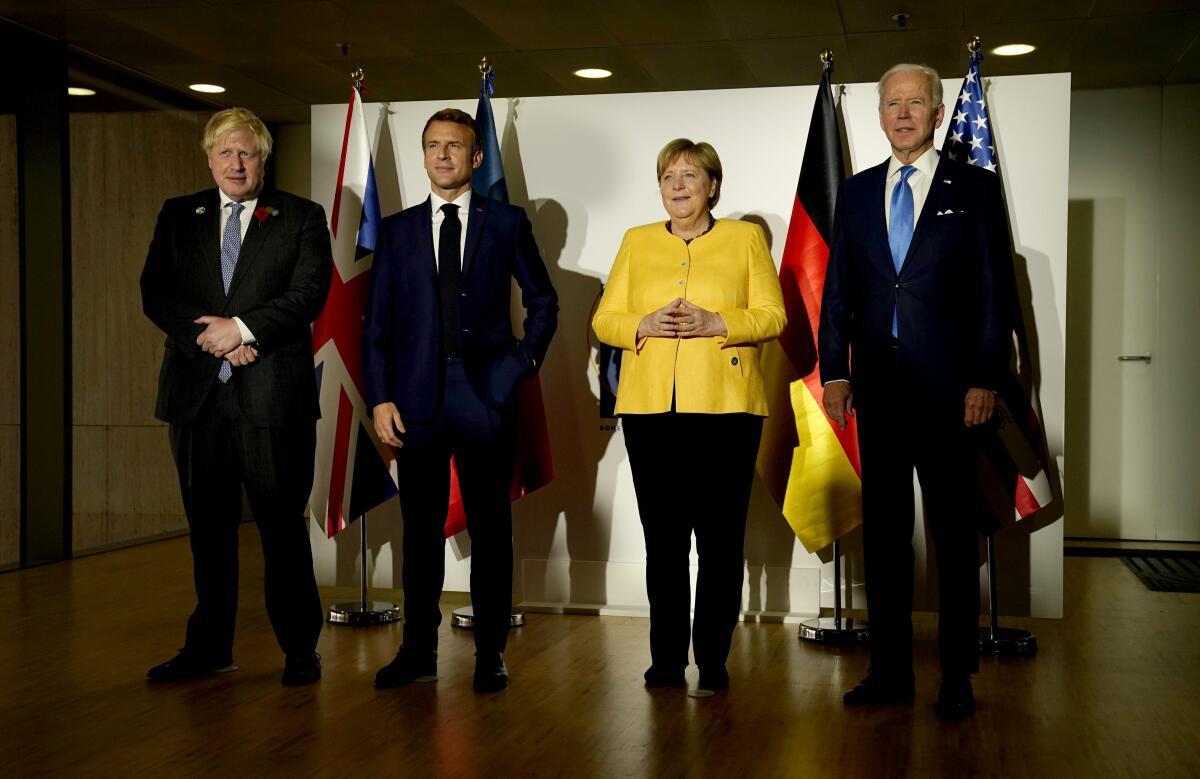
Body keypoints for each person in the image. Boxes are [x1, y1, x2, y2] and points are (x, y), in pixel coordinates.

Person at [818, 63, 1015, 719]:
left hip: (953, 390)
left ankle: (956, 673)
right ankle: (889, 669)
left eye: (916, 103)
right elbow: (837, 290)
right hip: (878, 388)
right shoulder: (855, 192)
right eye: (893, 104)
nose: (903, 113)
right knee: (886, 535)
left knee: (953, 538)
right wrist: (835, 370)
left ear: (937, 113)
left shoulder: (977, 189)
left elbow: (995, 294)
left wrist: (987, 375)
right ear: (879, 116)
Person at [363, 108, 557, 693]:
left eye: (455, 146)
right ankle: (418, 652)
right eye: (432, 146)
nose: (443, 155)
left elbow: (544, 301)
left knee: (493, 531)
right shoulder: (395, 231)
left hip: (484, 397)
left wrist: (517, 369)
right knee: (419, 532)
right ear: (423, 157)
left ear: (476, 158)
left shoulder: (506, 222)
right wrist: (380, 399)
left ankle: (489, 655)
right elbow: (378, 325)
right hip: (415, 401)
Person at [140, 107, 332, 686]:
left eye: (246, 152)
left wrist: (244, 329)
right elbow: (155, 293)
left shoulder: (300, 216)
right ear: (208, 158)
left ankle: (300, 650)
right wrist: (215, 337)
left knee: (280, 530)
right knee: (209, 531)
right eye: (225, 152)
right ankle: (209, 649)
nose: (236, 162)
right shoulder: (180, 215)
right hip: (197, 401)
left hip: (272, 400)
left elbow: (308, 295)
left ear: (263, 158)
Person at [592, 139, 786, 698]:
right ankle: (666, 661)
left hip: (727, 410)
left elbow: (773, 315)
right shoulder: (636, 241)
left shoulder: (745, 239)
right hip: (652, 411)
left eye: (691, 176)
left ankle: (714, 659)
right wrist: (643, 324)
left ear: (713, 187)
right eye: (669, 176)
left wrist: (716, 322)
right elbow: (606, 321)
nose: (678, 185)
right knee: (665, 544)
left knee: (721, 543)